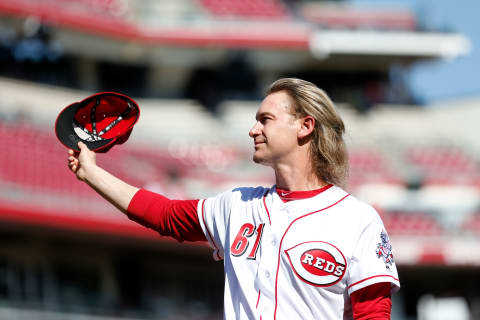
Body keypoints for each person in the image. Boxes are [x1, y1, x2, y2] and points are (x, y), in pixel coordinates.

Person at [68, 78, 400, 319]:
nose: (253, 130)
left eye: (265, 119)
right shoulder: (237, 205)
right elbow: (165, 215)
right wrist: (92, 173)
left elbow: (373, 312)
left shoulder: (357, 219)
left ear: (305, 126)